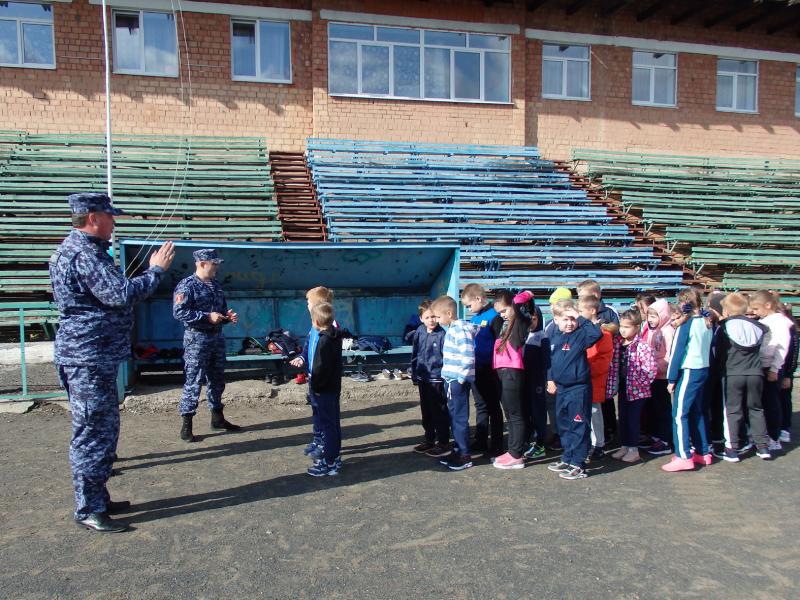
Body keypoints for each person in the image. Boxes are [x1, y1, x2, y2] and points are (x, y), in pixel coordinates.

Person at [50, 192, 175, 533]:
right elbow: (120, 295)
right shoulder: (84, 254)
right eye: (110, 216)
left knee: (102, 430)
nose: (114, 222)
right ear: (93, 217)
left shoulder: (81, 251)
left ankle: (98, 499)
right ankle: (89, 508)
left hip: (92, 355)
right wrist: (155, 271)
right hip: (88, 357)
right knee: (92, 433)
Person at [173, 249, 240, 442]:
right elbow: (179, 312)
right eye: (214, 263)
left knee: (218, 379)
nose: (217, 267)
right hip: (197, 339)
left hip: (216, 338)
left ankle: (217, 419)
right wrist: (206, 317)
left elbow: (219, 312)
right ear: (202, 263)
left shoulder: (216, 285)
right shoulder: (187, 285)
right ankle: (187, 425)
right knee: (194, 381)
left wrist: (226, 317)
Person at [546, 300, 602, 480]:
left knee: (578, 426)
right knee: (564, 425)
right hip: (561, 389)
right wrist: (550, 379)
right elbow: (550, 361)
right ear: (556, 320)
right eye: (565, 319)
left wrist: (580, 317)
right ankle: (568, 457)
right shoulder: (554, 336)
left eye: (573, 319)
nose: (570, 323)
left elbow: (596, 333)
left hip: (578, 389)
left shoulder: (580, 335)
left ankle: (579, 464)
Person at [662, 288, 714, 472]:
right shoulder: (707, 322)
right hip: (703, 370)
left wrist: (672, 378)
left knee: (679, 414)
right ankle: (702, 451)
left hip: (690, 370)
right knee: (698, 412)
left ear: (684, 303)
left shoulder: (687, 324)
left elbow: (677, 353)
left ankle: (683, 455)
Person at [713, 293, 770, 461]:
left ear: (728, 310)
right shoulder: (758, 326)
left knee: (732, 409)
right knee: (756, 408)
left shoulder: (725, 327)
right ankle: (763, 446)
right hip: (755, 373)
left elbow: (720, 352)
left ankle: (732, 448)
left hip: (732, 373)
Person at [290, 286, 336, 459]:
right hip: (313, 379)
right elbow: (308, 348)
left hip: (324, 382)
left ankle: (326, 445)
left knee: (325, 415)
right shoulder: (313, 326)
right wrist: (302, 359)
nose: (307, 304)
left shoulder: (329, 328)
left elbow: (326, 357)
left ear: (317, 304)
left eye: (308, 301)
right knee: (316, 411)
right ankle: (317, 440)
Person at [605, 310, 657, 463]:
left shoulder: (643, 346)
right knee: (623, 417)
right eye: (621, 326)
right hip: (622, 386)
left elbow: (651, 369)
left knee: (633, 419)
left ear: (636, 327)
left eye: (627, 327)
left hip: (637, 391)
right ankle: (625, 445)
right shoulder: (618, 343)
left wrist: (640, 383)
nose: (623, 330)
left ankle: (634, 449)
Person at [432, 295, 476, 471]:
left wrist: (460, 377)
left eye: (438, 316)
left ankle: (464, 455)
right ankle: (458, 449)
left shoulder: (460, 330)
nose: (436, 320)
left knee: (458, 418)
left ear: (449, 313)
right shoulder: (452, 329)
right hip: (451, 380)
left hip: (457, 381)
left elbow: (468, 355)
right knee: (453, 416)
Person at [305, 302, 349, 476]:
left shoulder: (323, 341)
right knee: (333, 424)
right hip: (333, 386)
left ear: (315, 322)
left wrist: (314, 388)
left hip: (324, 389)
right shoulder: (336, 336)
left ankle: (329, 462)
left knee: (328, 425)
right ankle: (335, 457)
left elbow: (318, 370)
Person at [461, 283, 503, 456]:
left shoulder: (495, 316)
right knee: (480, 405)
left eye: (469, 306)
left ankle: (497, 444)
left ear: (478, 298)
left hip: (491, 370)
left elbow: (500, 344)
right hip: (477, 368)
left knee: (493, 407)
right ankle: (480, 440)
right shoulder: (475, 318)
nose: (469, 310)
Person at [491, 290, 531, 470]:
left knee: (515, 414)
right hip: (501, 370)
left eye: (504, 310)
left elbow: (525, 301)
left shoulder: (521, 322)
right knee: (509, 412)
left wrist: (516, 300)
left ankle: (517, 454)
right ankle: (512, 450)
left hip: (513, 371)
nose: (502, 315)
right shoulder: (505, 323)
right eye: (499, 312)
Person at [750, 290, 793, 451]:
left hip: (771, 368)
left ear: (768, 305)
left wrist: (775, 369)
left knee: (771, 404)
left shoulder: (779, 322)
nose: (754, 312)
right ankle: (764, 434)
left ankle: (774, 437)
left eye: (756, 308)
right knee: (763, 403)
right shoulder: (766, 320)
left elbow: (781, 349)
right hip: (763, 366)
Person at [409, 300, 450, 457]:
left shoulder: (442, 334)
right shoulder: (419, 331)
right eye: (427, 317)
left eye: (434, 316)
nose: (431, 320)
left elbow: (446, 358)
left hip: (437, 380)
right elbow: (415, 354)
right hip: (422, 378)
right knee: (426, 411)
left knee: (439, 411)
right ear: (421, 318)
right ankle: (429, 439)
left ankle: (444, 442)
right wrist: (414, 374)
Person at [578, 295, 613, 462]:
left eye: (581, 310)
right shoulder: (580, 331)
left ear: (592, 311)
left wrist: (583, 369)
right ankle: (588, 443)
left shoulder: (603, 334)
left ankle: (598, 444)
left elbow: (603, 360)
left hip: (593, 380)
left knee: (594, 413)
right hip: (582, 379)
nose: (578, 314)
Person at [641, 299, 676, 456]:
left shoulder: (668, 331)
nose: (650, 319)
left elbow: (670, 355)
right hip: (651, 376)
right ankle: (655, 436)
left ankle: (665, 440)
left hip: (661, 377)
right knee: (653, 408)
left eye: (654, 316)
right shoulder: (651, 330)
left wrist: (655, 367)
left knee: (663, 409)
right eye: (649, 316)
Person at [522, 294, 549, 460]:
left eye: (533, 318)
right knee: (526, 412)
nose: (530, 322)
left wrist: (546, 380)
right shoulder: (523, 336)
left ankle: (540, 444)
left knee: (538, 412)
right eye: (528, 319)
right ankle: (528, 439)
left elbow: (546, 362)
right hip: (525, 380)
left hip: (537, 381)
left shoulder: (542, 337)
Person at [779, 304, 798, 444]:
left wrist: (788, 375)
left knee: (785, 399)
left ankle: (785, 427)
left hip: (785, 371)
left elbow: (793, 355)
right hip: (777, 369)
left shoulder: (791, 331)